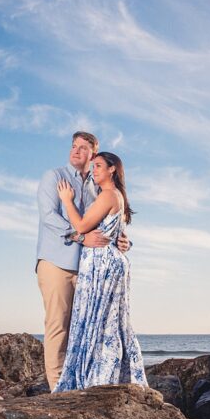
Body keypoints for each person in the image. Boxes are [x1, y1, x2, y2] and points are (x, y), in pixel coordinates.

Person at [36, 132, 129, 390]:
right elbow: (48, 217)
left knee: (85, 327)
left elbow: (107, 220)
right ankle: (59, 391)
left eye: (83, 148)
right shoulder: (54, 177)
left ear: (93, 155)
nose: (76, 151)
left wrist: (122, 240)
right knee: (58, 325)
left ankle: (80, 384)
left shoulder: (96, 185)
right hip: (57, 263)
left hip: (89, 269)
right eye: (73, 146)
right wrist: (80, 236)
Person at [52, 151, 148, 391]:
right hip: (109, 263)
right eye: (92, 166)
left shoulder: (108, 195)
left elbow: (83, 226)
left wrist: (66, 200)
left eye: (98, 166)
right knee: (109, 322)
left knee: (97, 322)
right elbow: (118, 235)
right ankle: (113, 378)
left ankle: (99, 380)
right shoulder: (117, 196)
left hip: (102, 265)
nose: (94, 170)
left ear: (112, 169)